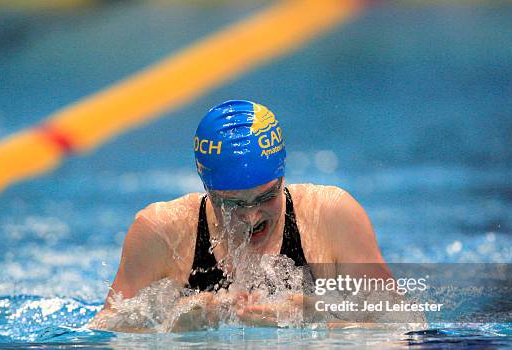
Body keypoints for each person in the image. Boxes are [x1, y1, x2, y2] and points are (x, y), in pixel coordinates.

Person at [90, 100, 417, 332]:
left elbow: (404, 322)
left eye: (266, 197)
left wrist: (320, 314)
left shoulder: (331, 216)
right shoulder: (161, 232)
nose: (251, 217)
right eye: (232, 204)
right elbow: (103, 330)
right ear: (208, 190)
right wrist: (173, 325)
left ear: (282, 178)